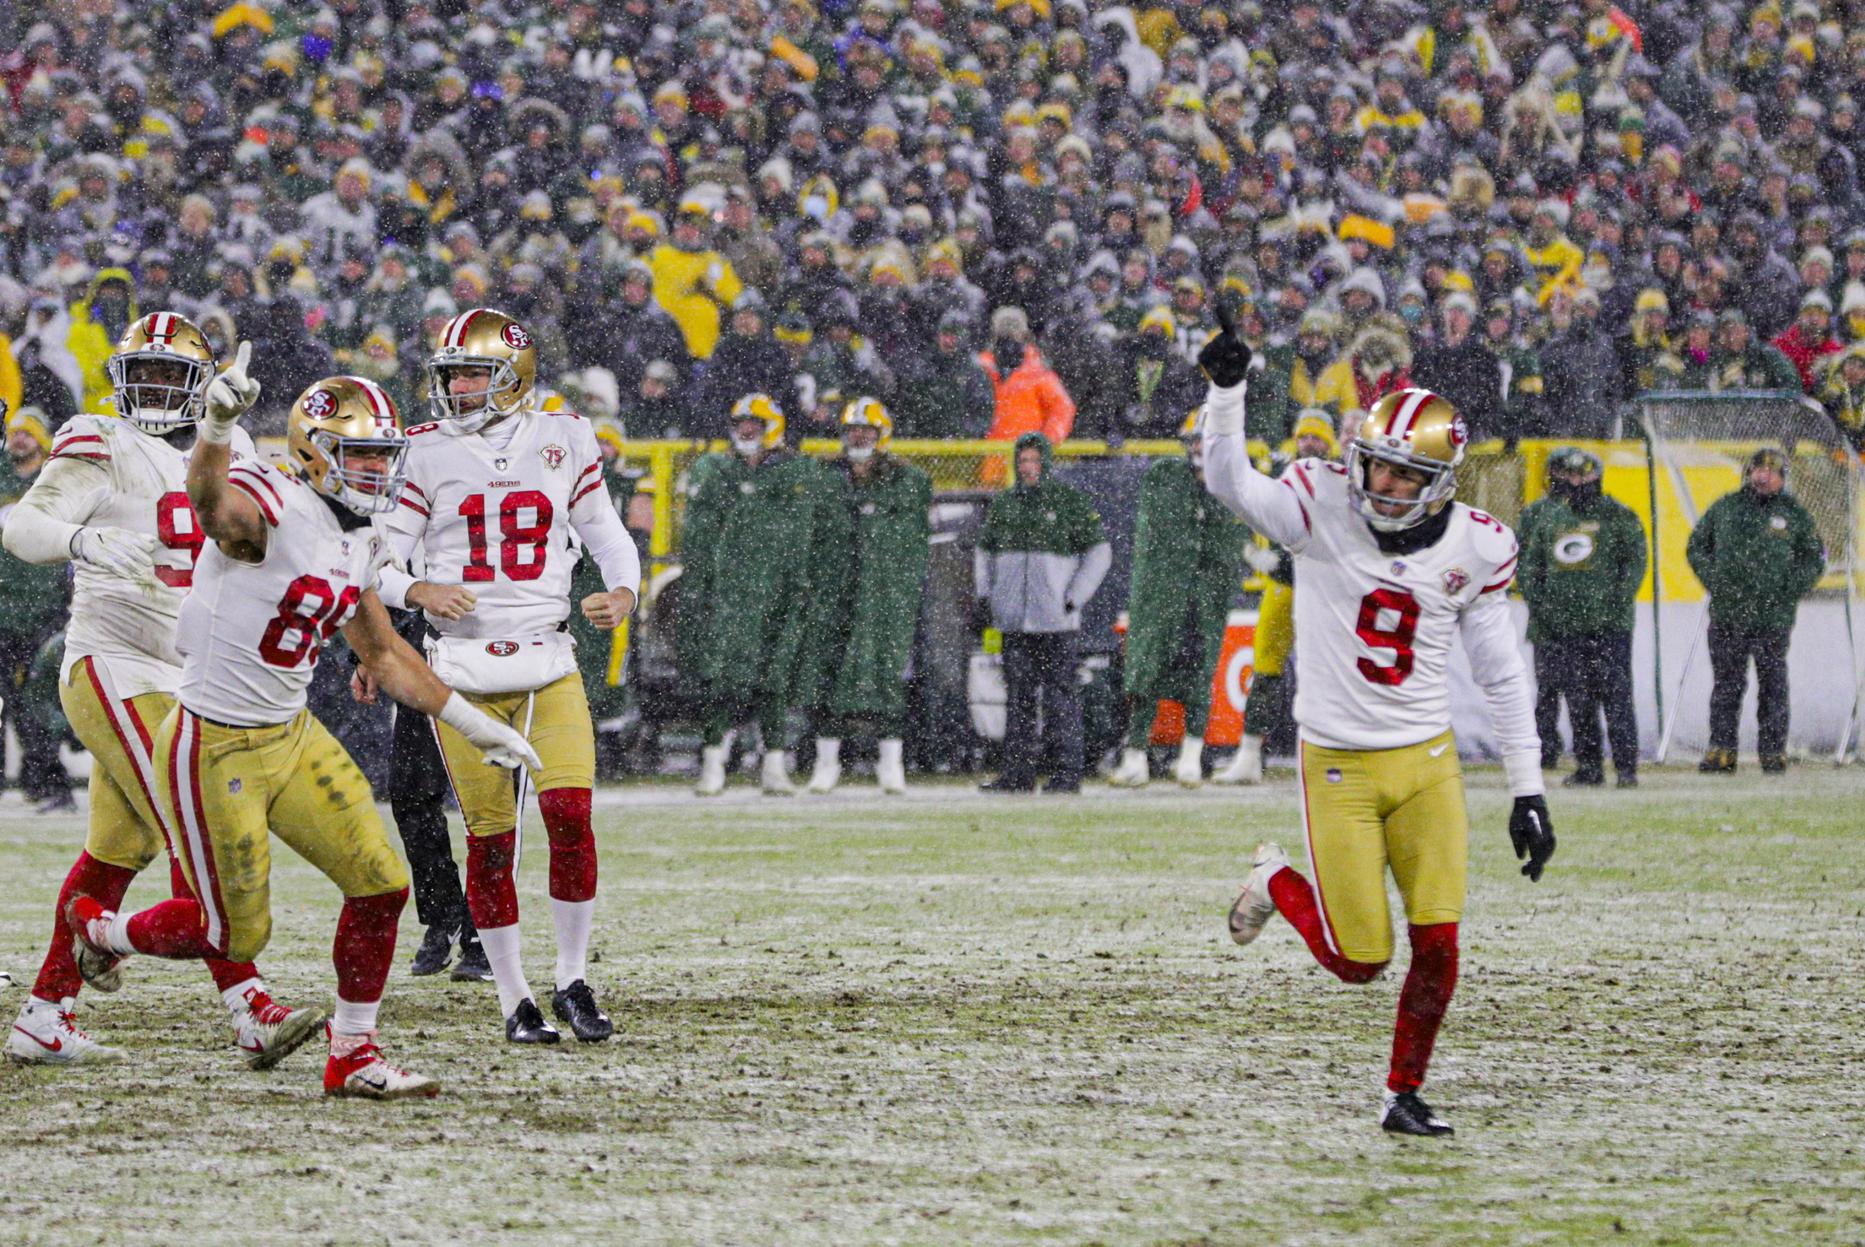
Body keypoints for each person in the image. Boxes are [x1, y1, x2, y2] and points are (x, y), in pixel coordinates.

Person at [65, 365, 540, 1099]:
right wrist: (219, 428)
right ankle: (103, 929)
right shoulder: (274, 503)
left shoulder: (362, 533)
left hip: (290, 733)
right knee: (234, 934)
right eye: (364, 455)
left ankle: (351, 1052)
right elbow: (208, 505)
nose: (379, 469)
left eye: (386, 454)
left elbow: (383, 652)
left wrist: (472, 723)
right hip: (212, 742)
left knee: (381, 885)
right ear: (315, 450)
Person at [1199, 313, 1555, 1138]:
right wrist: (1226, 394)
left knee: (1437, 942)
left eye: (1401, 475)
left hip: (1426, 762)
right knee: (1359, 958)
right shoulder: (1321, 502)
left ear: (1438, 480)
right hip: (1339, 766)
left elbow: (1499, 671)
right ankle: (1273, 880)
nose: (1380, 487)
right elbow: (1230, 484)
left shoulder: (1477, 543)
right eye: (1374, 467)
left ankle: (1402, 1091)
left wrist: (1528, 788)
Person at [2, 316, 317, 1067]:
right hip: (113, 661)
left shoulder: (231, 446)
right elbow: (24, 524)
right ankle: (249, 1005)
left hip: (191, 671)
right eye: (136, 373)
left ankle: (45, 1011)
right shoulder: (98, 435)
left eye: (166, 376)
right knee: (196, 818)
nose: (147, 389)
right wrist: (83, 539)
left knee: (117, 849)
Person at [378, 308, 641, 1045]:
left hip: (548, 659)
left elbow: (608, 535)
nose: (454, 386)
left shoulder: (564, 436)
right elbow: (380, 560)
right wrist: (416, 591)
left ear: (511, 377)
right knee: (491, 842)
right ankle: (514, 998)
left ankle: (572, 976)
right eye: (450, 373)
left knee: (570, 818)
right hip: (459, 671)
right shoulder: (424, 451)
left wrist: (623, 591)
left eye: (469, 373)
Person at [682, 393, 824, 796]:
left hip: (778, 590)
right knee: (723, 678)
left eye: (754, 425)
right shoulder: (715, 469)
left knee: (774, 680)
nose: (745, 431)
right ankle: (713, 763)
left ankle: (775, 765)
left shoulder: (796, 472)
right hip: (729, 593)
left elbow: (805, 537)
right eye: (741, 424)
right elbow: (699, 538)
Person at [1109, 408, 1251, 788]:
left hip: (1201, 598)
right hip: (1163, 594)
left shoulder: (1229, 487)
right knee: (1146, 670)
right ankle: (1135, 754)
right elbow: (1161, 542)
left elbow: (1224, 549)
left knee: (1198, 673)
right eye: (1197, 441)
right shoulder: (1165, 477)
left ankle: (1191, 754)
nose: (1200, 449)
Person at [799, 398, 932, 795]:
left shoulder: (906, 480)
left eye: (866, 431)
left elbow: (909, 543)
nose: (858, 436)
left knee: (886, 675)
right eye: (853, 430)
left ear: (881, 435)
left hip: (882, 594)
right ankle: (827, 764)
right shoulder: (826, 478)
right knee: (828, 674)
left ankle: (890, 763)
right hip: (835, 591)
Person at [975, 432, 1111, 794]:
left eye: (1035, 461)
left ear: (1046, 463)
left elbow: (1100, 552)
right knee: (1018, 699)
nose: (1029, 468)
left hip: (1056, 623)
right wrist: (987, 596)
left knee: (1059, 699)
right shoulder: (1005, 505)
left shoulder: (1069, 503)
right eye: (1023, 462)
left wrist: (1073, 598)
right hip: (1015, 622)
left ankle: (1066, 773)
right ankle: (1017, 774)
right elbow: (984, 552)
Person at [1686, 449, 1825, 774]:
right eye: (1757, 470)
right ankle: (1722, 750)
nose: (1763, 476)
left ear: (1782, 477)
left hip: (1772, 620)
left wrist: (1789, 588)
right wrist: (1716, 581)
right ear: (1748, 473)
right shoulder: (1726, 507)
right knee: (1726, 686)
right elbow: (1696, 546)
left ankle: (1773, 752)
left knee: (1773, 686)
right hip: (1728, 616)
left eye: (1770, 471)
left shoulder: (1794, 514)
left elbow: (1815, 559)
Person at [1517, 448, 1646, 787]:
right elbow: (1531, 568)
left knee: (1617, 697)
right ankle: (1588, 767)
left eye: (1583, 476)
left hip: (1610, 629)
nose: (1576, 482)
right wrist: (1545, 608)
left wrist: (1615, 605)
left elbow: (1634, 562)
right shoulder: (1549, 518)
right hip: (1565, 630)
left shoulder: (1618, 516)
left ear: (1597, 477)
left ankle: (1626, 768)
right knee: (1579, 702)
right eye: (1570, 476)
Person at [0, 402, 72, 808]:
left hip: (44, 611)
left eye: (28, 431)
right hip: (1, 609)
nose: (19, 436)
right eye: (15, 430)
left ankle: (47, 782)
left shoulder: (56, 482)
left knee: (38, 705)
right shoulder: (1, 476)